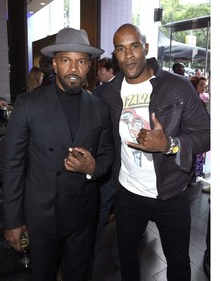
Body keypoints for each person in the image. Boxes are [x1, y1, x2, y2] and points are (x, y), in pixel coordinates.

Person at [98, 23, 210, 281]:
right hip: (128, 192)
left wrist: (169, 144)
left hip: (171, 193)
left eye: (134, 46)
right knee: (127, 256)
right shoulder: (109, 93)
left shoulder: (177, 87)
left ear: (146, 48)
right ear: (115, 55)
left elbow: (206, 134)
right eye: (121, 49)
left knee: (179, 262)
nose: (128, 55)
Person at [3, 27, 115, 281]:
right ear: (54, 63)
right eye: (66, 60)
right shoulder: (28, 104)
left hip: (83, 212)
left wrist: (93, 167)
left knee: (79, 273)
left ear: (88, 66)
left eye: (81, 61)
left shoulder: (99, 108)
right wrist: (13, 220)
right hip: (42, 214)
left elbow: (108, 153)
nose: (73, 69)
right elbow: (14, 165)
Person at [91, 54, 121, 269]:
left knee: (103, 212)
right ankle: (119, 257)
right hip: (114, 166)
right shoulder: (101, 92)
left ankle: (91, 257)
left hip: (114, 166)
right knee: (115, 213)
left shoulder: (99, 92)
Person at [188, 75, 210, 188]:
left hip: (198, 135)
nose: (203, 88)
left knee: (196, 157)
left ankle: (192, 177)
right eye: (200, 85)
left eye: (204, 86)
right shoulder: (192, 100)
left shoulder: (199, 99)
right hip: (192, 134)